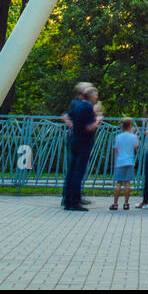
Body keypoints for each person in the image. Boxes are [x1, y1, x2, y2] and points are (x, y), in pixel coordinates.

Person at [61, 82, 102, 211]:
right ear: (90, 96)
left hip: (74, 139)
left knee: (72, 170)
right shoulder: (88, 108)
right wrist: (99, 119)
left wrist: (74, 126)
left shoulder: (77, 105)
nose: (97, 97)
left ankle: (68, 200)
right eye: (95, 95)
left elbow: (67, 117)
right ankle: (75, 201)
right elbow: (90, 127)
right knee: (79, 171)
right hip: (84, 142)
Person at [110, 118, 140, 210]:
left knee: (118, 182)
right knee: (127, 183)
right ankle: (126, 203)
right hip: (130, 161)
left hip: (120, 161)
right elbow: (136, 148)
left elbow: (116, 150)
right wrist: (136, 136)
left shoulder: (118, 136)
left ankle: (115, 204)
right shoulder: (133, 137)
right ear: (130, 126)